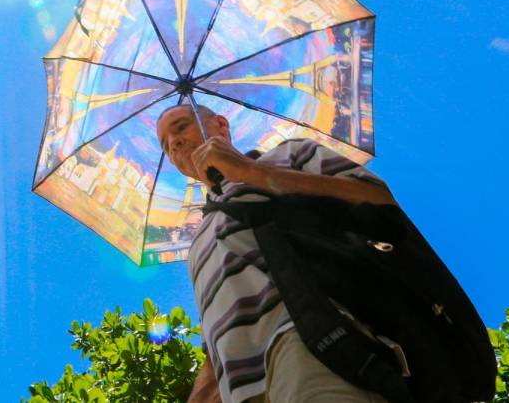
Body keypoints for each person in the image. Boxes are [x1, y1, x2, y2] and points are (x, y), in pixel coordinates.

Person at [155, 103, 398, 403]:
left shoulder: (289, 155)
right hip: (239, 390)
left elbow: (380, 202)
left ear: (220, 124)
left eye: (180, 127)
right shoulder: (198, 244)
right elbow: (217, 342)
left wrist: (251, 172)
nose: (174, 143)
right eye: (166, 145)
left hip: (311, 345)